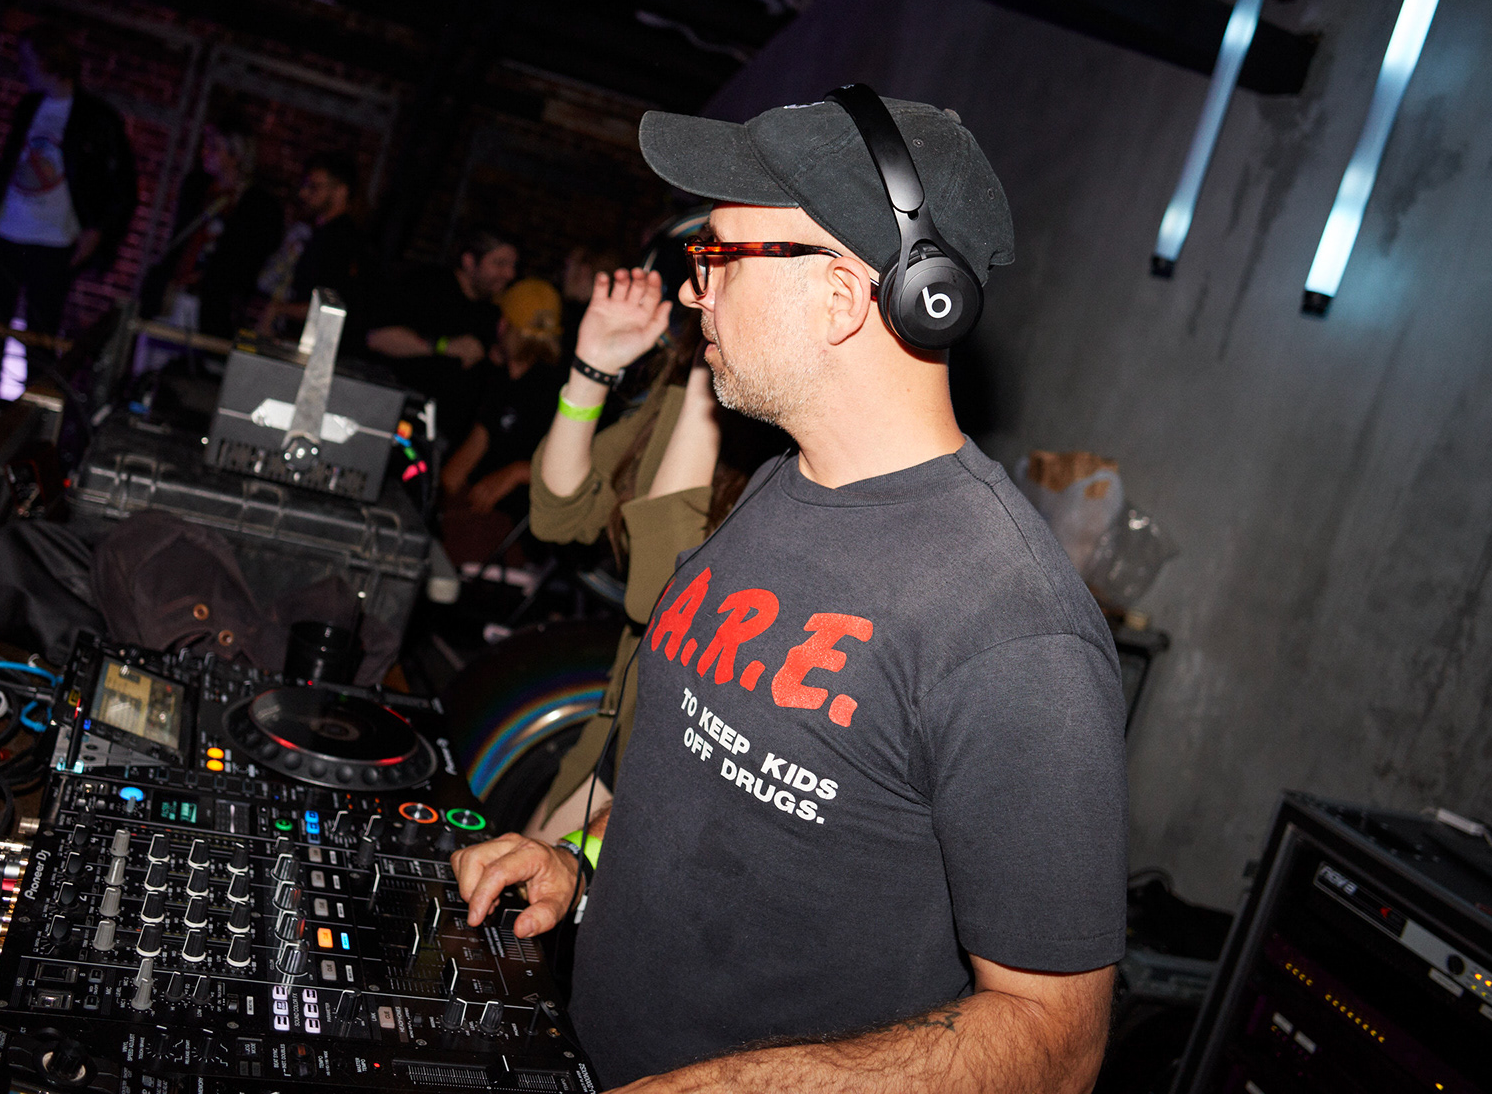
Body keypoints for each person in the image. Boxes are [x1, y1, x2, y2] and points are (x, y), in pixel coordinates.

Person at [452, 95, 1127, 1092]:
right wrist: (578, 872)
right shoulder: (777, 488)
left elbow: (1058, 1041)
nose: (696, 293)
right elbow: (717, 803)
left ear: (843, 297)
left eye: (721, 259)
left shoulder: (1014, 629)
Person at [522, 272, 776, 843]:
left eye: (726, 263)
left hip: (686, 755)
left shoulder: (793, 439)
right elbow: (558, 514)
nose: (690, 290)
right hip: (622, 719)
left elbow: (660, 596)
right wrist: (592, 371)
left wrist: (706, 390)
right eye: (703, 262)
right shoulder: (683, 387)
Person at [0, 22, 138, 394]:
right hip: (5, 232)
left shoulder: (96, 117)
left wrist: (97, 230)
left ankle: (30, 414)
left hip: (53, 242)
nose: (23, 68)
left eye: (28, 60)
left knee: (41, 338)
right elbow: (13, 160)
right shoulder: (29, 106)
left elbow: (122, 186)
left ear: (49, 61)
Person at [364, 232, 517, 447]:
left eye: (512, 266)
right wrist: (444, 346)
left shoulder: (490, 313)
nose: (509, 274)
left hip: (442, 435)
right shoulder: (427, 286)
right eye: (500, 264)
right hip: (396, 420)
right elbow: (377, 338)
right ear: (469, 261)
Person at [140, 117, 284, 340]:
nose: (205, 153)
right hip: (173, 293)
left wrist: (212, 279)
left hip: (213, 304)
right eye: (206, 146)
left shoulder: (257, 205)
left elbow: (248, 259)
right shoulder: (197, 188)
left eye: (215, 148)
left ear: (236, 155)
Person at [441, 278, 567, 520]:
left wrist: (520, 472)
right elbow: (471, 452)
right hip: (477, 512)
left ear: (504, 325)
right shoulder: (500, 379)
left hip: (522, 526)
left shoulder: (556, 390)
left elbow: (579, 469)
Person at [260, 152, 370, 338]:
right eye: (305, 186)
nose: (303, 193)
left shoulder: (341, 240)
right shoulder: (321, 233)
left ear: (341, 191)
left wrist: (278, 309)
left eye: (314, 187)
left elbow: (330, 306)